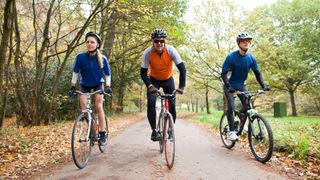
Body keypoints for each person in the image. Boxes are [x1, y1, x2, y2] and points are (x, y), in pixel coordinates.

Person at [221, 32, 270, 141]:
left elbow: (257, 73)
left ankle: (241, 120)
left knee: (248, 106)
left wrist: (264, 85)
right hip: (229, 85)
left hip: (242, 85)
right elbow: (223, 74)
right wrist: (229, 87)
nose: (246, 43)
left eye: (248, 41)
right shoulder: (231, 57)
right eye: (243, 41)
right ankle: (232, 131)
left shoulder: (251, 58)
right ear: (239, 43)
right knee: (231, 106)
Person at [140, 28, 187, 141]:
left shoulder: (171, 50)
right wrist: (150, 86)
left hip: (168, 79)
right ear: (153, 42)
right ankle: (154, 131)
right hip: (154, 80)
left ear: (165, 41)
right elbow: (143, 73)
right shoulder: (148, 53)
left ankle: (171, 129)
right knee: (151, 103)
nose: (159, 43)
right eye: (156, 41)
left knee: (172, 104)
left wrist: (181, 87)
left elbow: (182, 69)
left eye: (161, 41)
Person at [69, 32, 112, 146]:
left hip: (98, 84)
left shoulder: (102, 58)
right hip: (85, 85)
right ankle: (93, 130)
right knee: (84, 110)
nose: (89, 44)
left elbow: (107, 74)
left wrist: (107, 86)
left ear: (97, 44)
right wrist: (72, 86)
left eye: (92, 42)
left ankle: (102, 133)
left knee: (98, 107)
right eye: (87, 42)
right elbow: (75, 72)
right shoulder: (80, 57)